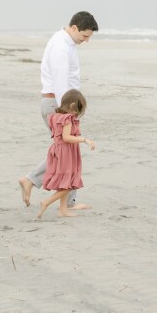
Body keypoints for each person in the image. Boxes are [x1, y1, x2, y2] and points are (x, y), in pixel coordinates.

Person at [18, 11, 98, 209]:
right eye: (85, 36)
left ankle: (39, 185)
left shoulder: (66, 43)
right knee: (67, 151)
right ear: (74, 28)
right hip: (59, 105)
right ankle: (61, 198)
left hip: (59, 105)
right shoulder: (61, 47)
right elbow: (61, 83)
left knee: (65, 151)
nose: (86, 41)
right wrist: (69, 115)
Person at [37, 90, 96, 218]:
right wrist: (85, 140)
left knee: (65, 181)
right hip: (66, 152)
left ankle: (63, 210)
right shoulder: (67, 118)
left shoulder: (54, 116)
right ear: (73, 106)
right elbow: (67, 137)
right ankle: (46, 202)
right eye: (78, 110)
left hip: (59, 150)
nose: (78, 114)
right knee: (69, 184)